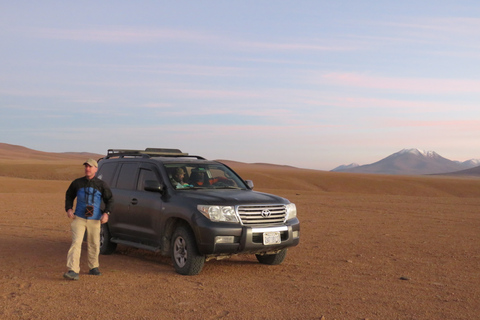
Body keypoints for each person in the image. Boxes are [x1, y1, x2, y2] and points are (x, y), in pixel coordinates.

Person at [63, 158, 114, 280]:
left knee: (94, 244)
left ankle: (93, 267)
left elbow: (110, 200)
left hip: (95, 219)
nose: (87, 169)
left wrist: (106, 213)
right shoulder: (77, 183)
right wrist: (69, 209)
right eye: (86, 166)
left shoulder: (101, 185)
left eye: (90, 167)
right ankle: (73, 270)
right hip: (79, 218)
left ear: (96, 169)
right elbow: (69, 195)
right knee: (76, 243)